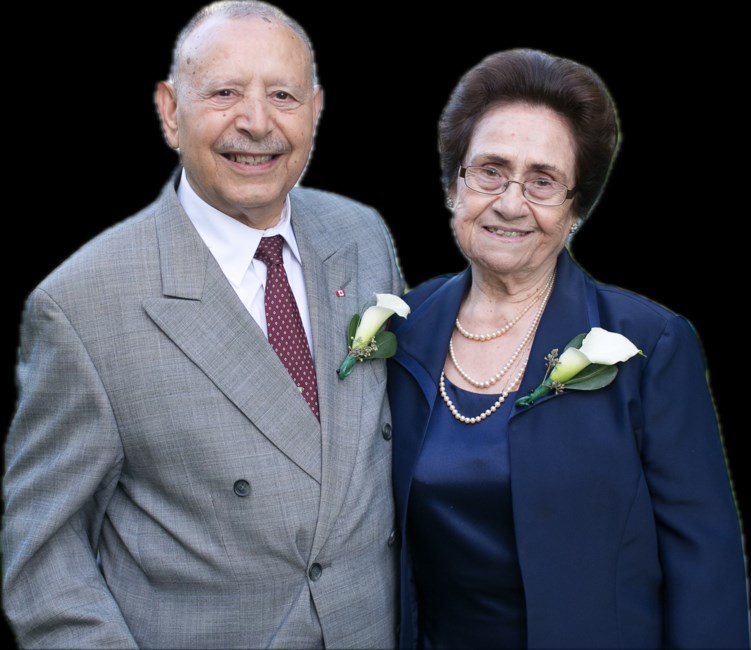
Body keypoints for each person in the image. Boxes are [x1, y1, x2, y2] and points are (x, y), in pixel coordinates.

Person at [2, 1, 404, 648]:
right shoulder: (81, 304)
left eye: (282, 95)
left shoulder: (361, 236)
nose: (256, 122)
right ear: (170, 112)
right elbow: (46, 558)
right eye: (224, 93)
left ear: (316, 110)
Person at [386, 48, 750, 649]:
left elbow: (704, 560)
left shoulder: (648, 346)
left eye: (542, 181)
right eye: (490, 171)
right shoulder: (404, 331)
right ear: (455, 185)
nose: (510, 202)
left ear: (576, 208)